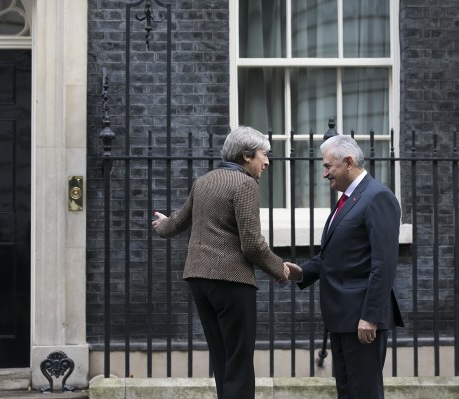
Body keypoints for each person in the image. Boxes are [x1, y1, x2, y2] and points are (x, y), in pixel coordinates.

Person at [152, 126, 298, 399]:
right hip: (231, 280)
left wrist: (161, 225)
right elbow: (252, 244)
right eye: (263, 156)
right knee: (239, 360)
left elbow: (177, 222)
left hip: (199, 280)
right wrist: (280, 269)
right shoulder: (244, 184)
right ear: (246, 156)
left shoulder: (204, 181)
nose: (266, 162)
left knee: (222, 357)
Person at [286, 134, 404, 399]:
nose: (324, 174)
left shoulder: (377, 197)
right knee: (347, 392)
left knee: (364, 393)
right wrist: (302, 272)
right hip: (342, 318)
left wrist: (370, 316)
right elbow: (334, 256)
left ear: (349, 162)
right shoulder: (348, 200)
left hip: (362, 319)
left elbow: (384, 264)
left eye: (328, 166)